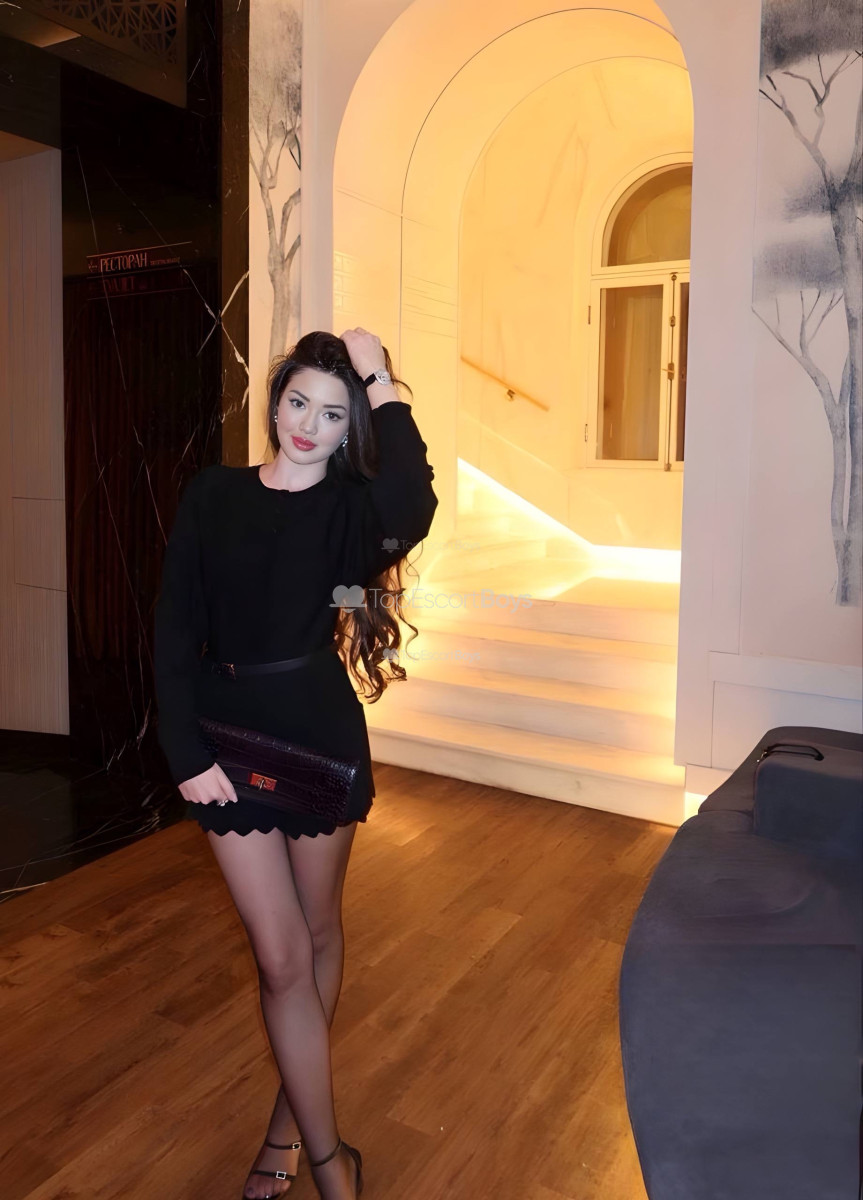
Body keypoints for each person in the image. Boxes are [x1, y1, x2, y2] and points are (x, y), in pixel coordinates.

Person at [153, 328, 439, 1199]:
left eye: (332, 413)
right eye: (297, 402)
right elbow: (172, 626)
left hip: (318, 736)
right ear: (273, 401)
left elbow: (413, 499)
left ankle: (288, 1131)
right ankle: (330, 1166)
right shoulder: (214, 493)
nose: (308, 425)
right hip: (224, 745)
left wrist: (379, 377)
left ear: (352, 426)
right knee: (280, 959)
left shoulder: (352, 514)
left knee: (317, 936)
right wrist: (184, 751)